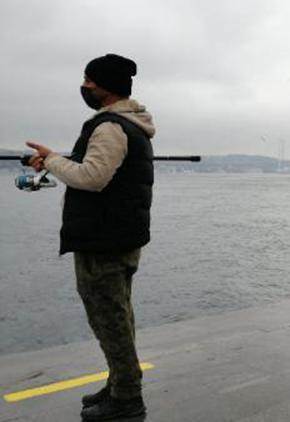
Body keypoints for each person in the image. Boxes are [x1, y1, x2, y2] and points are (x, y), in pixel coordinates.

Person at [26, 53, 154, 421]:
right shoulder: (128, 125)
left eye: (88, 81)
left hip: (104, 242)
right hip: (118, 238)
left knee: (109, 321)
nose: (84, 87)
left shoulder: (111, 126)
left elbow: (92, 177)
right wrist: (58, 159)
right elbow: (97, 169)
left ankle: (127, 398)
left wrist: (51, 161)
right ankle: (119, 383)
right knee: (119, 316)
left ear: (104, 86)